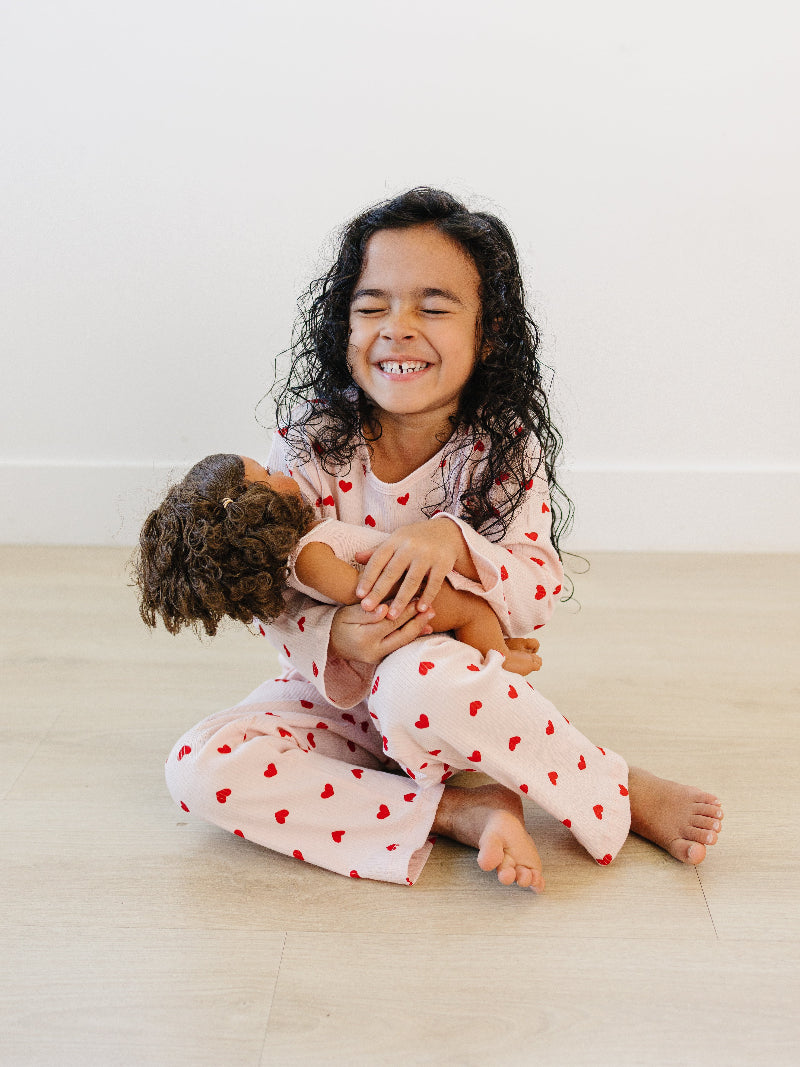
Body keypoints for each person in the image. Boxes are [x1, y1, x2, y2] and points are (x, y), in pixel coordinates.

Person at [160, 187, 723, 892]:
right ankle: (457, 811)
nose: (397, 329)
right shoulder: (308, 443)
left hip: (447, 701)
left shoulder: (502, 449)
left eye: (432, 307)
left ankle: (613, 784)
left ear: (488, 334)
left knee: (417, 685)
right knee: (199, 764)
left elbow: (537, 584)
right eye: (372, 307)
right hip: (334, 700)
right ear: (344, 328)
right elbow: (266, 589)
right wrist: (338, 636)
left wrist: (452, 543)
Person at [134, 452, 543, 675]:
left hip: (406, 582)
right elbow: (357, 592)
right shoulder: (308, 558)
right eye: (266, 475)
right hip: (404, 593)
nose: (279, 472)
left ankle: (496, 648)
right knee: (469, 610)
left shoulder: (309, 542)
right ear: (253, 510)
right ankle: (499, 660)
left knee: (469, 616)